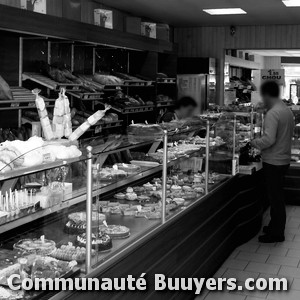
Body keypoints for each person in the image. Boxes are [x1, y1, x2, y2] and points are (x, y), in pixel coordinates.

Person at [250, 81, 294, 243]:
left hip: (274, 161)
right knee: (277, 196)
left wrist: (254, 142)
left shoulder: (273, 113)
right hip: (283, 159)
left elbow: (269, 139)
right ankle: (275, 225)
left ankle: (277, 233)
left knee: (275, 199)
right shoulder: (285, 110)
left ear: (267, 95)